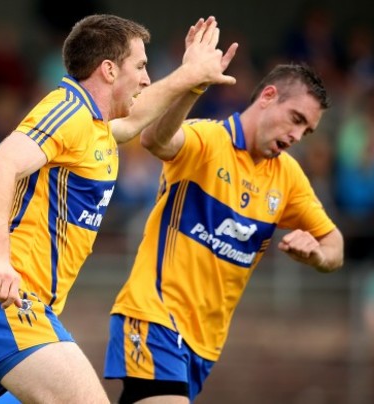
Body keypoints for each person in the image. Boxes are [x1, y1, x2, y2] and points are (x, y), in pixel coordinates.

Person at [0, 14, 237, 404]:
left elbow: (141, 114)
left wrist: (190, 76)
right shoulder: (68, 108)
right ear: (108, 70)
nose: (146, 78)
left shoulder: (97, 127)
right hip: (4, 301)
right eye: (140, 67)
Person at [103, 63, 344, 403]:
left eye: (306, 131)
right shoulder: (208, 138)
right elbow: (154, 139)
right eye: (296, 119)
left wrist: (319, 255)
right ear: (268, 96)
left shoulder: (288, 177)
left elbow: (335, 245)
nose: (296, 136)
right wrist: (193, 84)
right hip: (155, 317)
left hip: (206, 344)